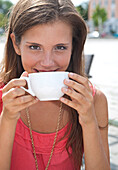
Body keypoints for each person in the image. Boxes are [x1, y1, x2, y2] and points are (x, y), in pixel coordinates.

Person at [0, 0, 110, 169]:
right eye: (35, 47)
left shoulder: (93, 101)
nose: (47, 63)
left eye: (60, 47)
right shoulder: (3, 98)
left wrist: (89, 121)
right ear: (16, 44)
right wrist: (7, 118)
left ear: (73, 46)